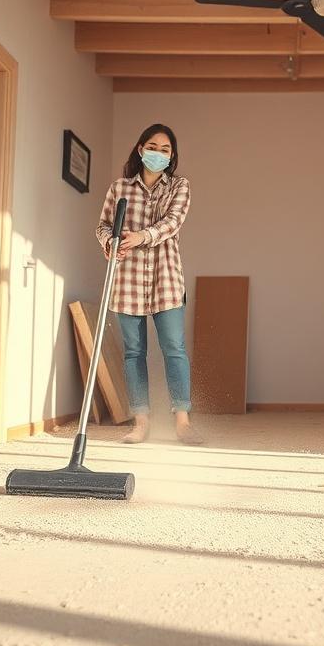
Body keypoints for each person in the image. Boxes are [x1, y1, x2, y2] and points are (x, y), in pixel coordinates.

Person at [95, 123, 202, 445]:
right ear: (141, 149)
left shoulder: (179, 186)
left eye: (165, 149)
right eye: (152, 147)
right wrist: (110, 243)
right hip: (127, 280)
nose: (158, 153)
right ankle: (141, 422)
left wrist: (140, 236)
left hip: (165, 279)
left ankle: (182, 422)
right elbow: (103, 225)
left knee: (174, 349)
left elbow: (173, 222)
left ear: (172, 156)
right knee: (133, 353)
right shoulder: (119, 188)